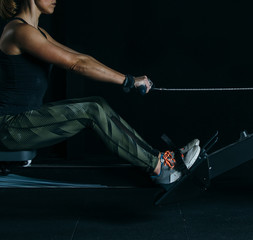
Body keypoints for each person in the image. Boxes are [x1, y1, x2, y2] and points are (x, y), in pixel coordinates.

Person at [0, 0, 201, 186]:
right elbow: (77, 65)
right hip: (9, 127)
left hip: (25, 120)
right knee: (92, 110)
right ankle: (161, 169)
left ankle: (161, 159)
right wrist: (128, 80)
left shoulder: (38, 32)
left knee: (96, 103)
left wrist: (128, 77)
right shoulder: (19, 31)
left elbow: (81, 57)